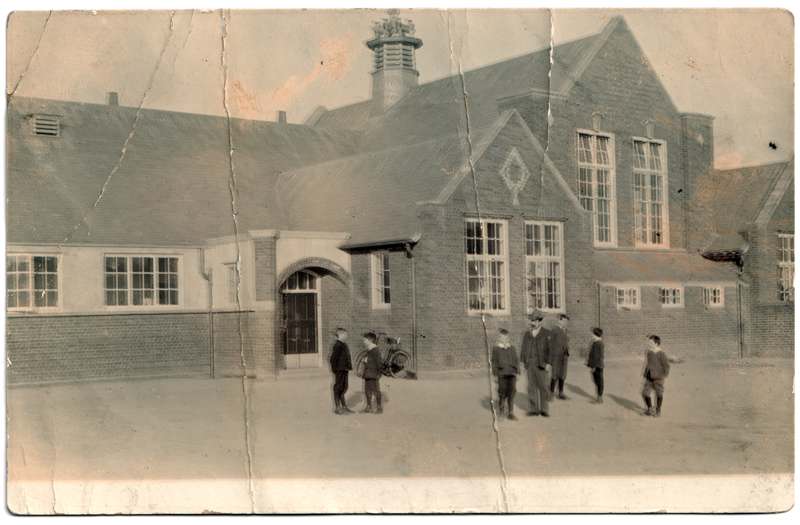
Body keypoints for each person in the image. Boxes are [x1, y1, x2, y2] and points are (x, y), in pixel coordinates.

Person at [641, 334, 681, 417]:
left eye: (650, 342)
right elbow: (648, 363)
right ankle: (650, 409)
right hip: (649, 377)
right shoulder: (649, 352)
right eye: (648, 342)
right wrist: (646, 372)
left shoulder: (661, 353)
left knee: (659, 393)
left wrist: (663, 375)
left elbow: (666, 365)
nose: (649, 344)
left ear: (656, 343)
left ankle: (658, 410)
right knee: (645, 393)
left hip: (658, 378)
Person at [520, 313, 552, 417]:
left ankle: (544, 409)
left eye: (534, 321)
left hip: (541, 363)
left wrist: (549, 363)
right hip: (530, 364)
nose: (532, 323)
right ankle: (533, 409)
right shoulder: (527, 334)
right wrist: (523, 362)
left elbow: (551, 350)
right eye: (531, 321)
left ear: (539, 321)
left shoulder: (547, 333)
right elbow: (523, 348)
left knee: (543, 386)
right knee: (531, 386)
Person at [491, 328, 520, 420]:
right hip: (502, 374)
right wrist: (495, 374)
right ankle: (502, 411)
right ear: (499, 338)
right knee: (502, 392)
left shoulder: (512, 348)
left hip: (512, 373)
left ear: (508, 338)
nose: (504, 339)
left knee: (512, 392)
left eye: (506, 337)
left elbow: (516, 360)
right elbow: (494, 362)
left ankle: (511, 412)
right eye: (502, 337)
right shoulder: (496, 349)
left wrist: (517, 371)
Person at [329, 327, 353, 415]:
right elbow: (333, 359)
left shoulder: (344, 344)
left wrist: (349, 366)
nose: (347, 336)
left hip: (345, 369)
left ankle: (344, 406)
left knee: (344, 387)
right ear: (341, 335)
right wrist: (335, 369)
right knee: (338, 387)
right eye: (345, 334)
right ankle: (337, 407)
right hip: (339, 370)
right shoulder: (337, 345)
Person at [360, 332, 383, 414]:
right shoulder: (369, 350)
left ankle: (379, 407)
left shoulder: (375, 350)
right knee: (367, 390)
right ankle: (368, 406)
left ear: (370, 340)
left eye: (365, 340)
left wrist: (378, 373)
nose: (363, 341)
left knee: (376, 390)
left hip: (373, 374)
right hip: (368, 373)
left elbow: (379, 363)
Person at [549, 314, 570, 400]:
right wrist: (550, 359)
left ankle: (561, 392)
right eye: (565, 321)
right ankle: (551, 393)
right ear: (560, 320)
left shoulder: (565, 330)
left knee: (563, 374)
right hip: (556, 356)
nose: (566, 323)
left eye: (567, 322)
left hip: (564, 356)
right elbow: (550, 344)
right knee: (554, 374)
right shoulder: (554, 330)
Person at [586, 327, 605, 403]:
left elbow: (597, 356)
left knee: (599, 381)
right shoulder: (596, 342)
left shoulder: (598, 343)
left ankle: (599, 398)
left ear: (595, 334)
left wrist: (594, 367)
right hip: (597, 365)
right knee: (596, 380)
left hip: (597, 366)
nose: (591, 335)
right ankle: (598, 396)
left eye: (592, 334)